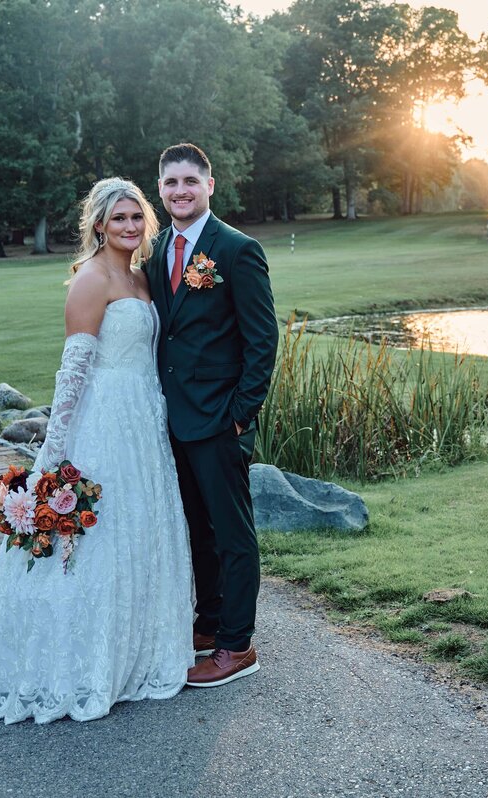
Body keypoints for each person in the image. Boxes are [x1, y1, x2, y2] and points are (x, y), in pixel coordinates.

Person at [0, 178, 194, 723]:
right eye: (118, 218)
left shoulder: (143, 278)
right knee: (96, 540)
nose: (129, 226)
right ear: (98, 224)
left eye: (136, 217)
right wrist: (50, 455)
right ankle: (74, 663)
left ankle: (135, 650)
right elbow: (73, 373)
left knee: (142, 530)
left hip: (145, 421)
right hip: (105, 423)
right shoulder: (91, 281)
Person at [147, 143, 277, 687]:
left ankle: (236, 645)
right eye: (171, 183)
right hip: (170, 419)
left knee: (232, 534)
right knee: (195, 530)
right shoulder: (157, 249)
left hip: (220, 420)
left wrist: (241, 415)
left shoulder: (236, 250)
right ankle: (209, 623)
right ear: (161, 189)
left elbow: (262, 338)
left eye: (190, 182)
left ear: (209, 185)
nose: (180, 191)